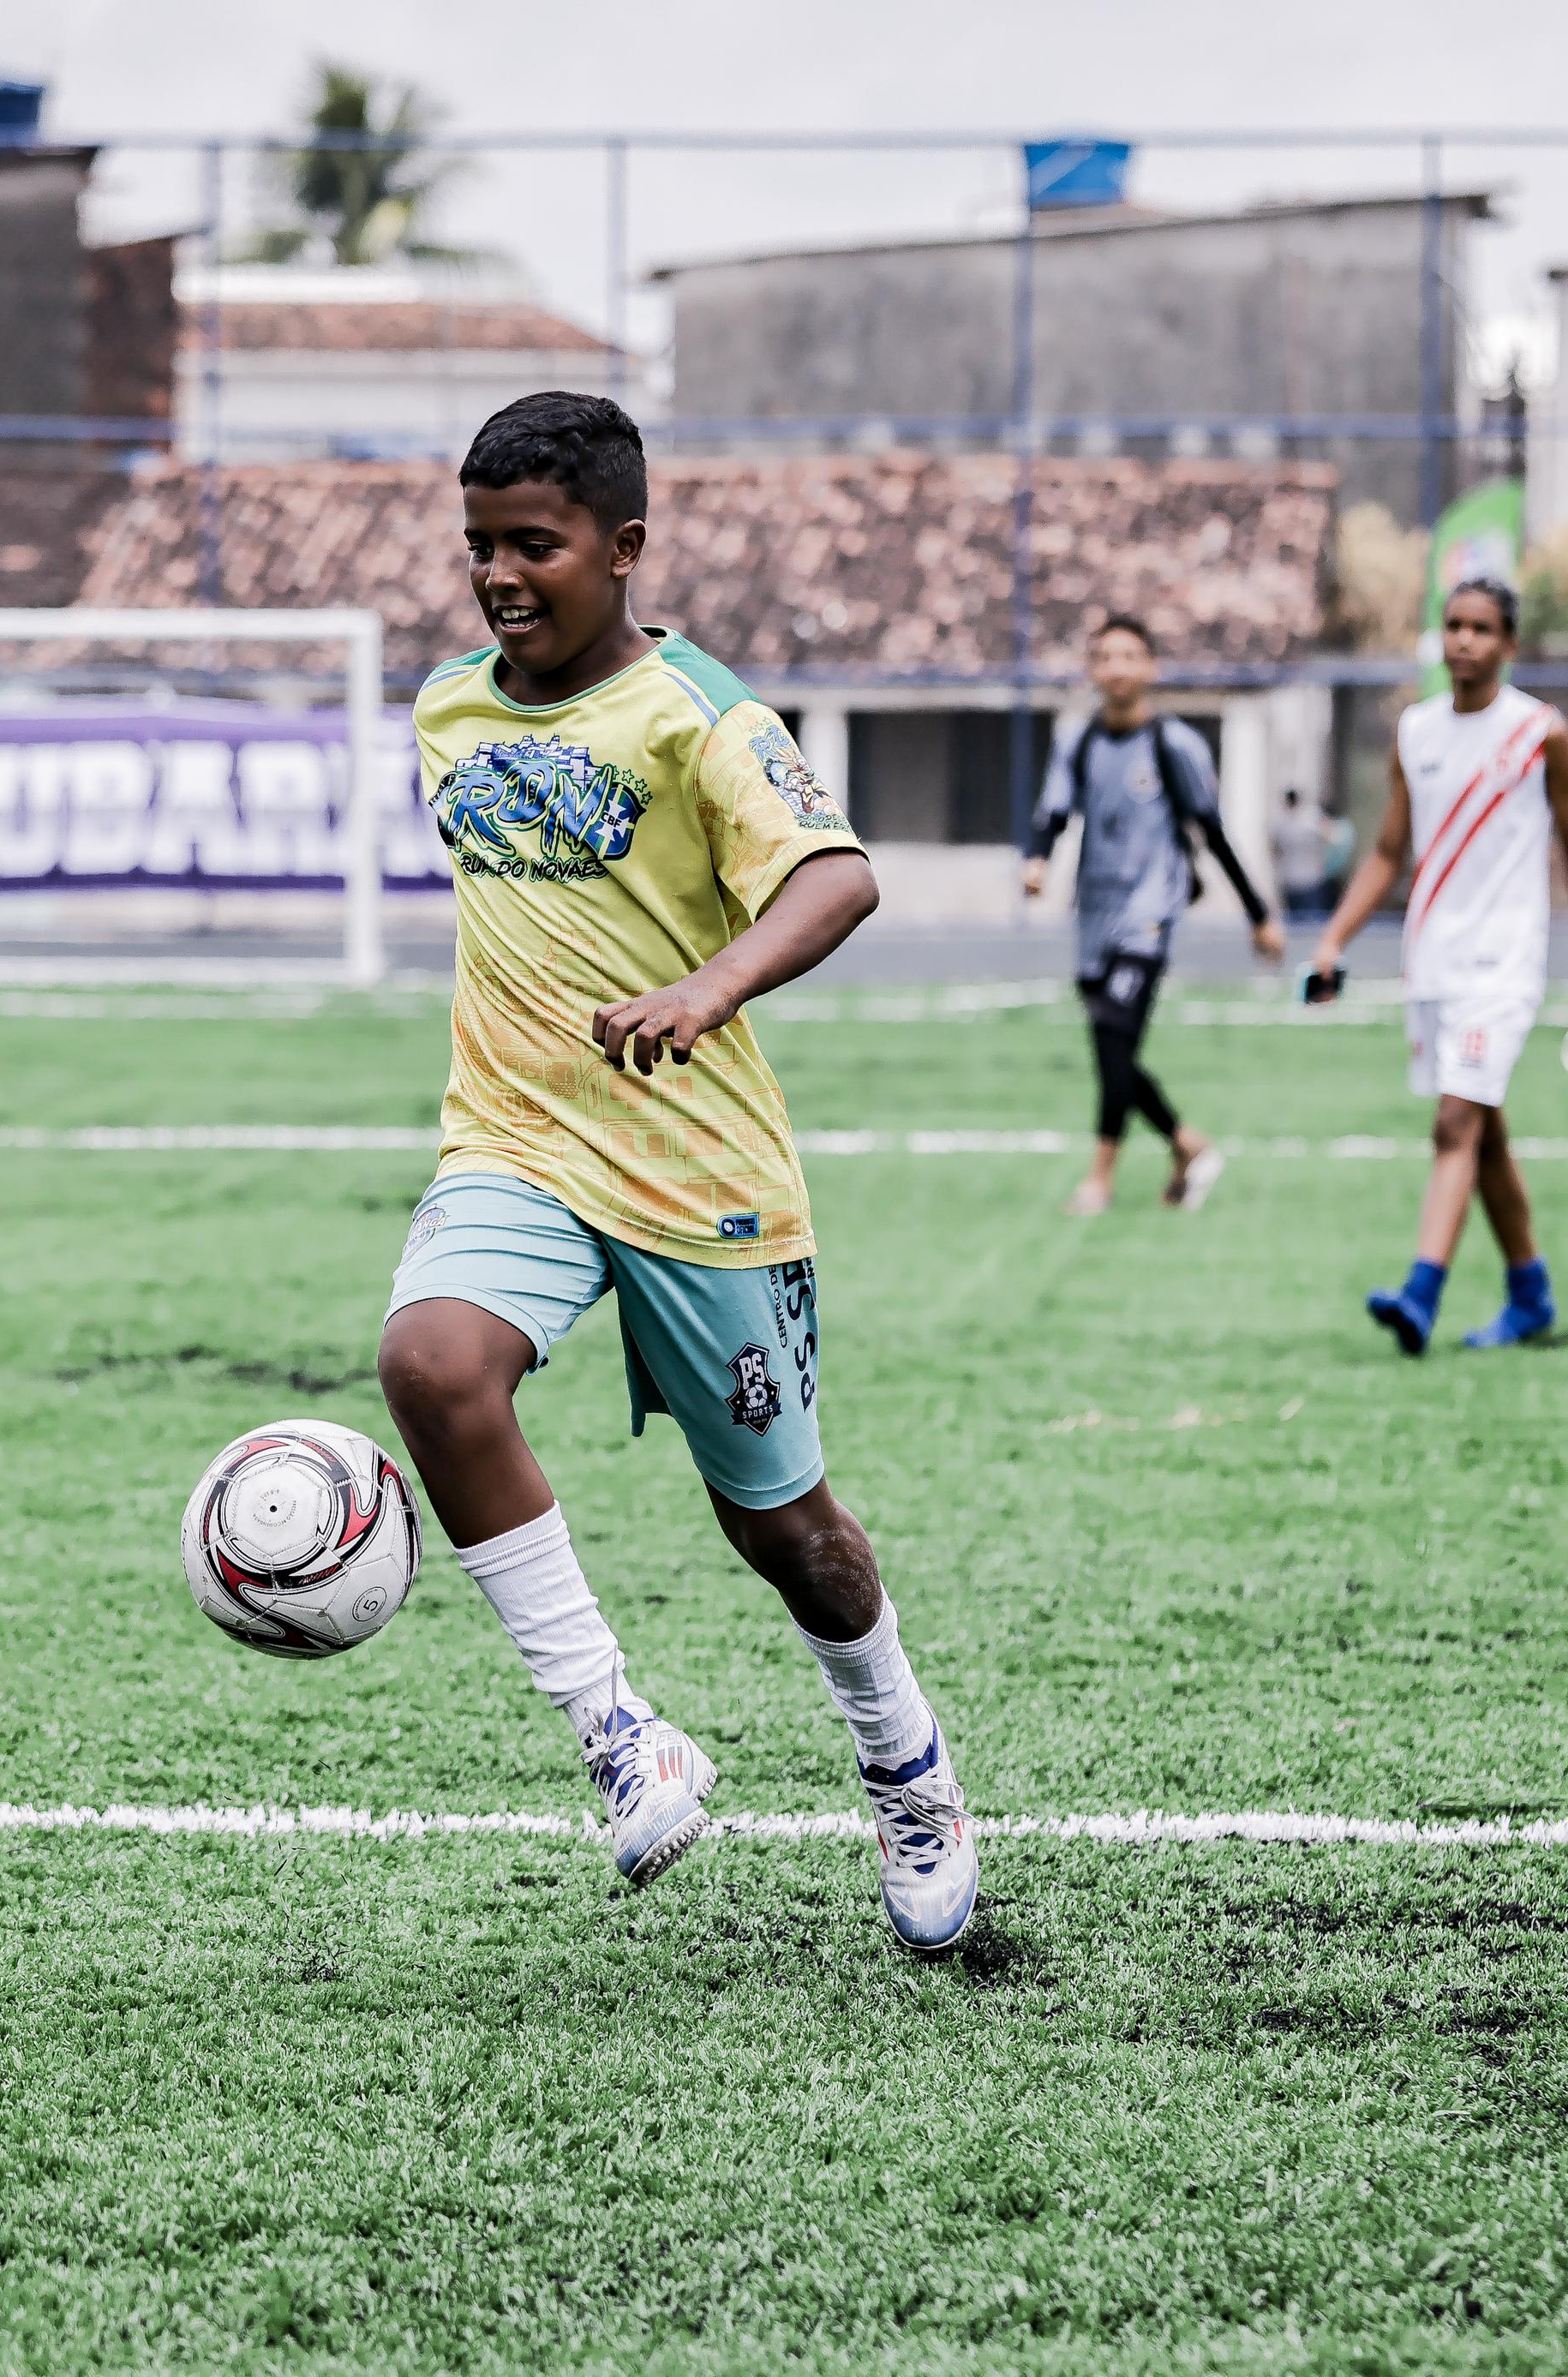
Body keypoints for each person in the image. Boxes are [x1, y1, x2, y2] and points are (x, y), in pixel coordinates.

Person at [374, 391, 976, 1952]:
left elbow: (837, 876)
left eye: (538, 545)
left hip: (701, 1166)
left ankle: (906, 1763)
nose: (501, 574)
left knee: (785, 1529)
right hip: (516, 1140)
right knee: (434, 1363)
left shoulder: (701, 715)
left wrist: (705, 990)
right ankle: (622, 1734)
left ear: (624, 548)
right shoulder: (446, 708)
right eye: (480, 544)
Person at [1303, 578, 1568, 1354]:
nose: (1464, 641)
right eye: (1452, 626)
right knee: (1483, 1132)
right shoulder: (1415, 732)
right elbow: (1388, 850)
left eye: (1482, 629)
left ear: (1510, 645)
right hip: (1433, 962)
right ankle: (1530, 1294)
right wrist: (1333, 940)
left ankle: (1422, 1292)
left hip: (1505, 965)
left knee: (1455, 1121)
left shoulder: (1539, 735)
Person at [1017, 614, 1284, 1216]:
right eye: (1106, 656)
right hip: (1095, 915)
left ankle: (1100, 1178)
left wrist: (1258, 914)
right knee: (1112, 1049)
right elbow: (1053, 813)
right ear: (1093, 669)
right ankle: (1186, 1142)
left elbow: (1212, 832)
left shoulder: (1175, 745)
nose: (1117, 667)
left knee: (1113, 1032)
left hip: (1150, 913)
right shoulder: (1077, 742)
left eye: (1130, 655)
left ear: (1151, 668)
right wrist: (1036, 860)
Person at [1271, 782, 1328, 918]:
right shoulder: (1312, 819)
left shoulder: (1279, 824)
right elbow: (1331, 837)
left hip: (1292, 880)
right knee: (1310, 924)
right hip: (1309, 880)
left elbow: (1274, 851)